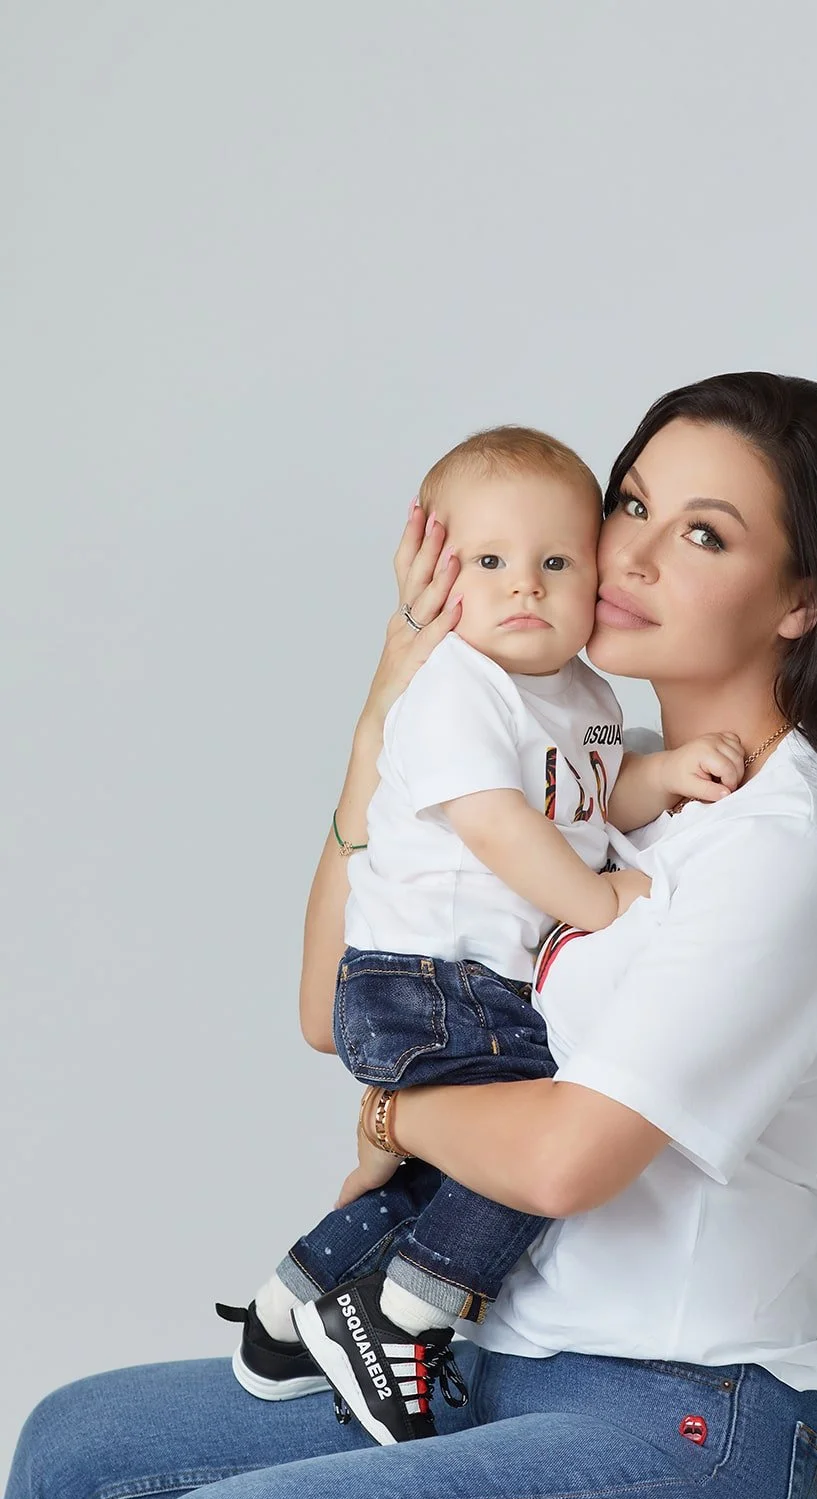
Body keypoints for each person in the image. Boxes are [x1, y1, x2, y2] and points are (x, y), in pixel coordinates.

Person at [0, 373, 817, 1499]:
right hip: (491, 1357)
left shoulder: (786, 844)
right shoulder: (598, 781)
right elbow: (327, 1003)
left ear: (802, 600)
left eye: (702, 533)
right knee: (75, 1455)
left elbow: (562, 1161)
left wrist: (390, 1115)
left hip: (689, 1419)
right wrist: (383, 723)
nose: (631, 555)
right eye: (631, 503)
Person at [219, 426, 745, 1446]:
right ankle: (404, 1310)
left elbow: (584, 802)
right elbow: (498, 822)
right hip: (425, 981)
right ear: (438, 576)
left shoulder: (587, 699)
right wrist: (596, 907)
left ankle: (298, 1300)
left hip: (467, 985)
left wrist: (663, 775)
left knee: (444, 1170)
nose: (525, 590)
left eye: (555, 564)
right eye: (490, 564)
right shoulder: (456, 685)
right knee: (542, 1135)